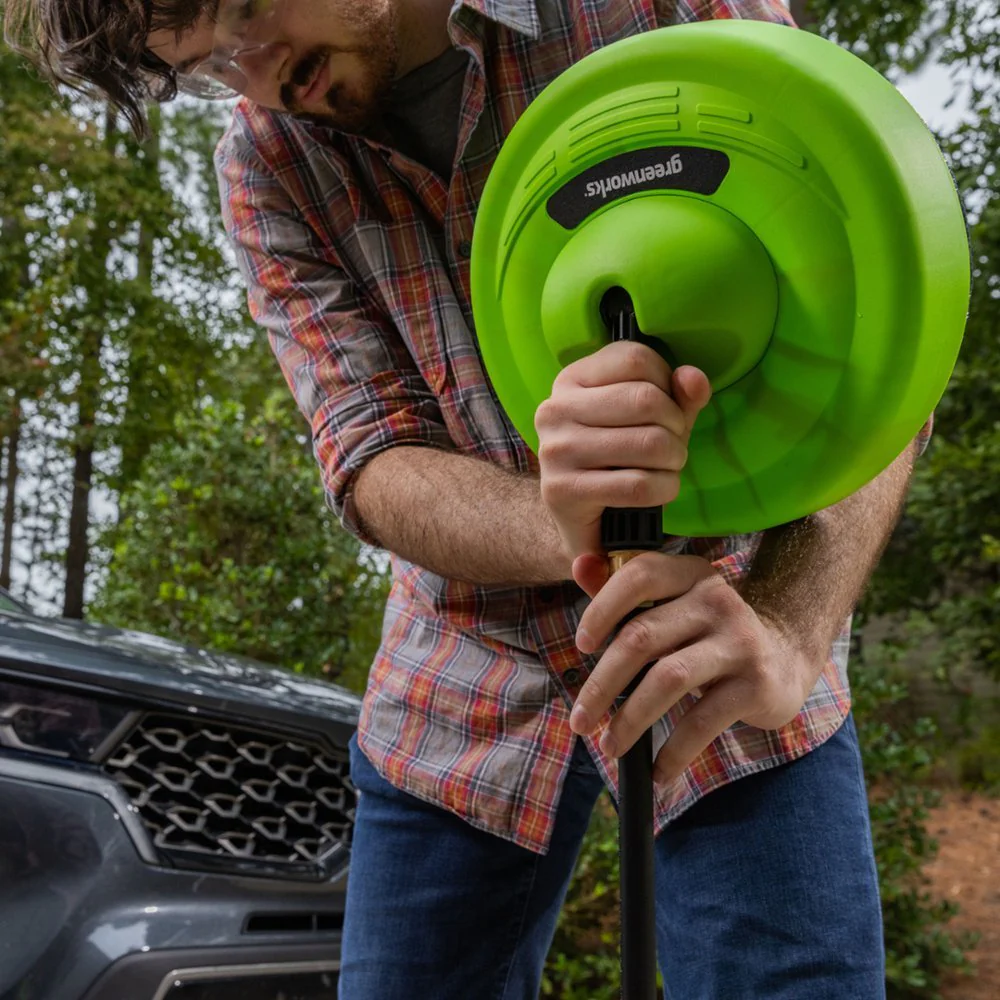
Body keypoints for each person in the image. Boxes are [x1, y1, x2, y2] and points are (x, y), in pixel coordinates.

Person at [7, 0, 933, 996]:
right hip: (459, 672)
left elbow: (890, 316)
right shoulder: (266, 161)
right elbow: (371, 457)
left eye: (245, 9)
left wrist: (790, 621)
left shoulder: (647, 8)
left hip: (719, 628)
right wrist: (558, 515)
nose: (259, 73)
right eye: (210, 66)